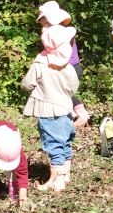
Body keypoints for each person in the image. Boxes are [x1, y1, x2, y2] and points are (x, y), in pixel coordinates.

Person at [23, 24, 79, 192]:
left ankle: (57, 180)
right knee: (65, 142)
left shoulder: (39, 64)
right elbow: (73, 88)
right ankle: (66, 173)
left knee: (54, 144)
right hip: (65, 109)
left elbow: (27, 84)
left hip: (48, 112)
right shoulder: (69, 68)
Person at [38, 1, 90, 127]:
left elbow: (53, 51)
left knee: (60, 93)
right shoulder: (64, 31)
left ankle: (79, 114)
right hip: (72, 67)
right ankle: (73, 114)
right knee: (63, 93)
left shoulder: (60, 33)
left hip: (68, 68)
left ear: (47, 21)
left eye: (44, 22)